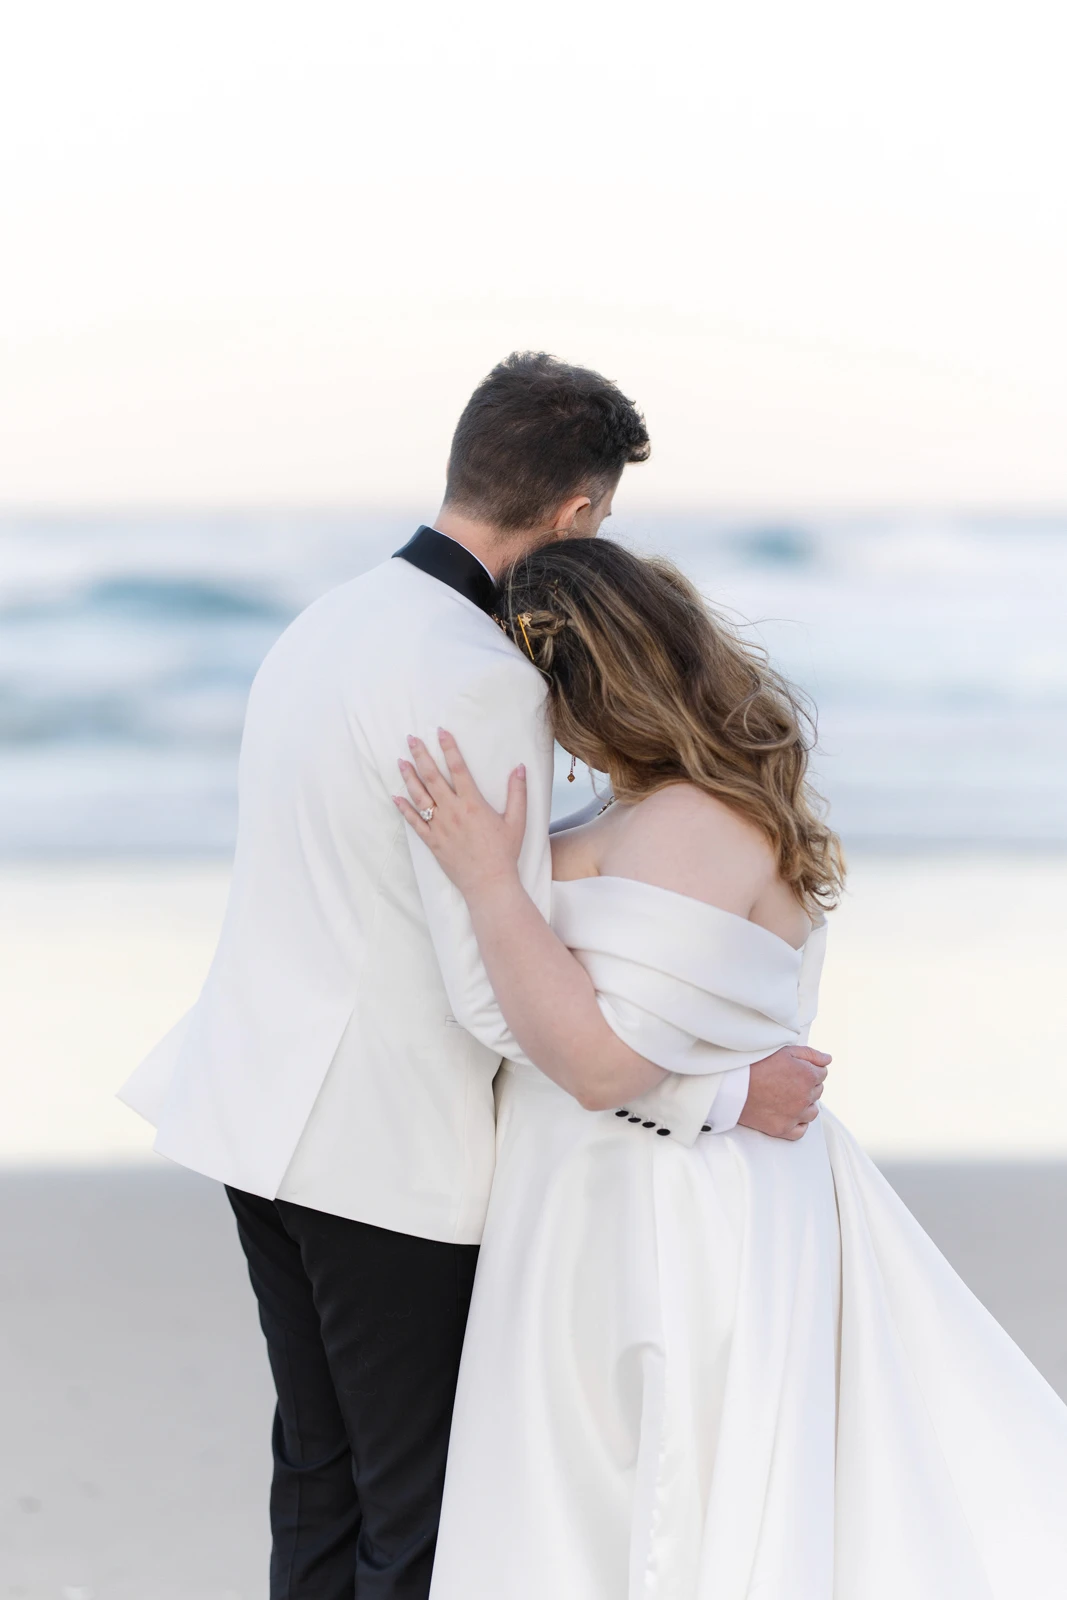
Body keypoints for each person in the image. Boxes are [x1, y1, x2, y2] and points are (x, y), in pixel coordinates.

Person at [117, 352, 828, 1599]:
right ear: (578, 516)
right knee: (417, 1510)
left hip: (252, 1111)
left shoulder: (322, 622)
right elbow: (498, 995)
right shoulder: (483, 678)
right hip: (385, 1150)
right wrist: (718, 1099)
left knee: (319, 1474)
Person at [394, 536, 1067, 1600]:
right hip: (609, 1189)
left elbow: (604, 1064)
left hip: (665, 1210)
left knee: (660, 1507)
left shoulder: (690, 823)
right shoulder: (653, 808)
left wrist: (489, 882)